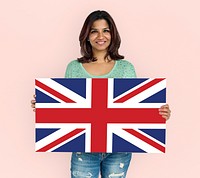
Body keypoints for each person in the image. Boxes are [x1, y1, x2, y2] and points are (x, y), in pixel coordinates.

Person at [31, 10, 171, 178]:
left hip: (119, 149)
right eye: (94, 31)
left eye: (105, 30)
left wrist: (159, 113)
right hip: (84, 150)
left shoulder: (126, 68)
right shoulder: (74, 68)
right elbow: (68, 110)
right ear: (87, 35)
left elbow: (134, 109)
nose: (100, 35)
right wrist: (46, 106)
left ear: (112, 34)